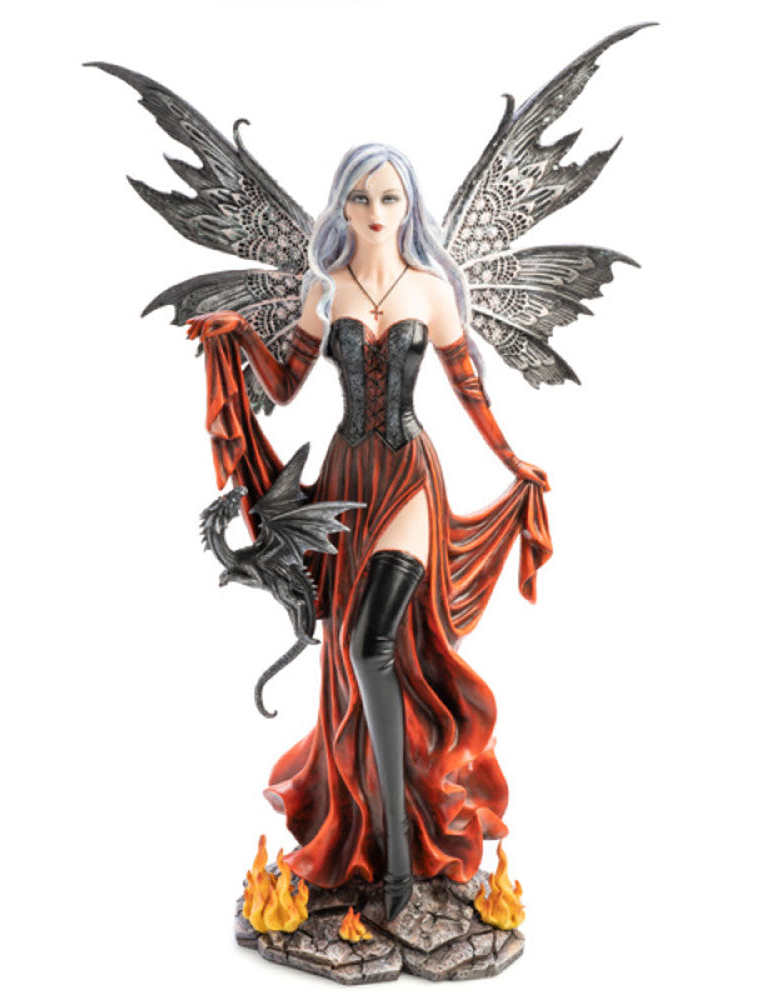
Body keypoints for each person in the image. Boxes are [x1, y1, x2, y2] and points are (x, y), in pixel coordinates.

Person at [189, 144, 552, 921]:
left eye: (390, 198)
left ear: (409, 205)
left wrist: (511, 459)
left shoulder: (432, 289)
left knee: (368, 646)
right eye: (360, 198)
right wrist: (239, 336)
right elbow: (286, 386)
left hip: (411, 474)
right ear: (342, 206)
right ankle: (380, 836)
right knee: (356, 657)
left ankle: (398, 871)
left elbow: (470, 389)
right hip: (347, 479)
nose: (376, 212)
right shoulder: (324, 291)